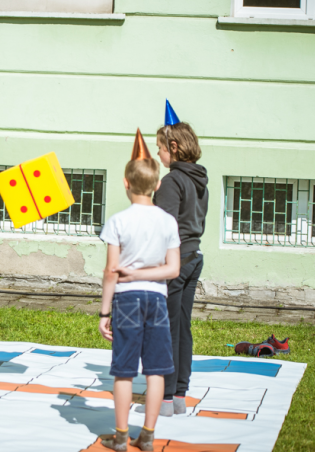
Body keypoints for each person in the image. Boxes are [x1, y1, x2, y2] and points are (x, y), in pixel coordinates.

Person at [97, 130, 181, 451]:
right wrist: (144, 273)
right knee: (157, 369)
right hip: (158, 299)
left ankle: (120, 436)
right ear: (158, 185)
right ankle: (147, 435)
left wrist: (105, 312)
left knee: (123, 370)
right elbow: (173, 269)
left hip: (127, 300)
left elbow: (110, 271)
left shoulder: (118, 221)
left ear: (125, 183)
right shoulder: (167, 222)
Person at [138, 100, 209, 416]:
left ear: (174, 147)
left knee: (164, 329)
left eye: (160, 149)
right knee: (181, 327)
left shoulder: (170, 181)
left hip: (174, 262)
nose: (157, 155)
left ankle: (163, 400)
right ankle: (178, 395)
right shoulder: (199, 179)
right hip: (194, 257)